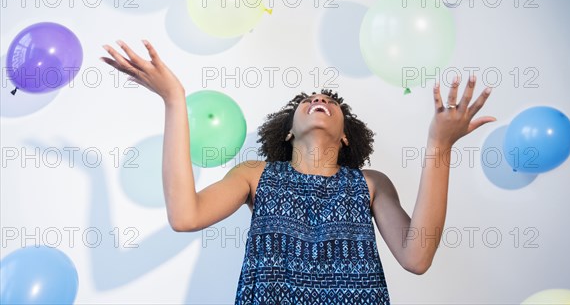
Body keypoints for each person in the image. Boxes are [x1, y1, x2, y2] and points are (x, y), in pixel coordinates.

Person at [100, 39, 496, 304]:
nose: (320, 98)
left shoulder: (370, 185)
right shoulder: (255, 175)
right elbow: (185, 216)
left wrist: (439, 145)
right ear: (288, 130)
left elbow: (417, 256)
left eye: (330, 101)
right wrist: (174, 98)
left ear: (345, 138)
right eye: (309, 100)